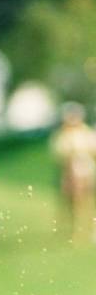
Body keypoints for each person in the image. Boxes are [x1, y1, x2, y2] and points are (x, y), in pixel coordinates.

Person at [51, 103, 96, 242]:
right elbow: (59, 155)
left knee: (87, 200)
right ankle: (75, 229)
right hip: (70, 172)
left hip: (85, 171)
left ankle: (89, 229)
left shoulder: (85, 133)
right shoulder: (62, 135)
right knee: (72, 202)